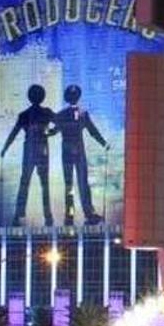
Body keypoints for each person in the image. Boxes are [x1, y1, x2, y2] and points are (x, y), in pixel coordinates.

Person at [0, 84, 56, 227]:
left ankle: (20, 215)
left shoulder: (25, 114)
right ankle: (47, 216)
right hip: (39, 149)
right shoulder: (42, 113)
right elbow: (61, 123)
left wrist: (5, 148)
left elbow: (14, 133)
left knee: (26, 182)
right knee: (41, 184)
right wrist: (52, 132)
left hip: (32, 150)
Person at [53, 84, 109, 226]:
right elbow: (93, 131)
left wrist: (43, 133)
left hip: (69, 152)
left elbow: (54, 131)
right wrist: (104, 143)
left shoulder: (62, 115)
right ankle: (85, 214)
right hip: (77, 152)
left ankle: (71, 216)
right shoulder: (82, 114)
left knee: (71, 184)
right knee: (81, 183)